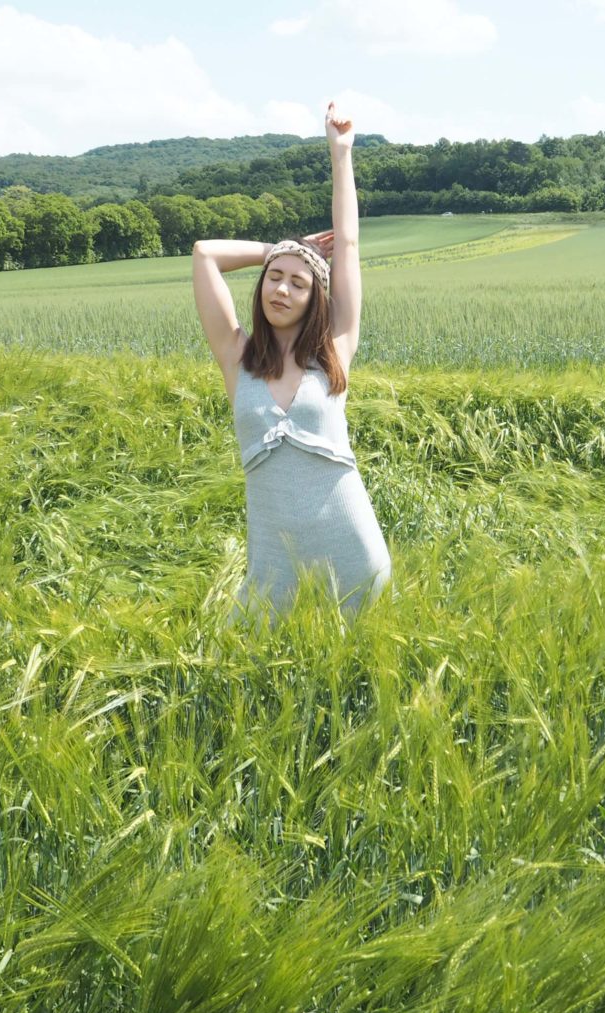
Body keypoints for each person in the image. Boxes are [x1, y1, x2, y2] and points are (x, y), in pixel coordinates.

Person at [192, 101, 392, 626]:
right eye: (274, 277)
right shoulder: (238, 358)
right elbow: (204, 253)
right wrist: (283, 248)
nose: (282, 287)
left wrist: (340, 153)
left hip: (352, 556)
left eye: (298, 282)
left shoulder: (334, 356)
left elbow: (347, 244)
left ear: (315, 299)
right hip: (273, 567)